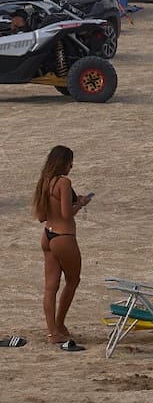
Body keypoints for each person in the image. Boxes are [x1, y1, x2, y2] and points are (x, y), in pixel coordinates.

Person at [32, 145, 91, 350]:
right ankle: (60, 324)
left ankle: (52, 332)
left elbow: (41, 216)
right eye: (70, 162)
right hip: (64, 237)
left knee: (50, 287)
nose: (71, 166)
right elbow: (67, 214)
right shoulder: (64, 183)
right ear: (63, 162)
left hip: (47, 235)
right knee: (73, 280)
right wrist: (81, 203)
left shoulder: (44, 182)